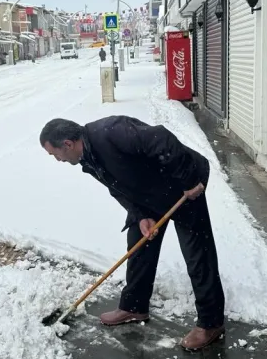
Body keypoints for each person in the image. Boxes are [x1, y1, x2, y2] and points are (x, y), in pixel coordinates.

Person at [39, 116, 226, 351]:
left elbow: (162, 139)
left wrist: (189, 181)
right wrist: (139, 215)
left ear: (67, 144)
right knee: (139, 243)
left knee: (197, 255)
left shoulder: (111, 132)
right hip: (150, 194)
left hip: (184, 185)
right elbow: (117, 187)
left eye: (54, 154)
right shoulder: (88, 158)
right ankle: (134, 307)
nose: (58, 160)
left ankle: (211, 323)